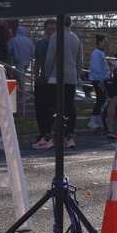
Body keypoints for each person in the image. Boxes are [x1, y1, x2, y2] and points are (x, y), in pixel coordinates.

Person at [44, 16, 84, 149]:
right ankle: (69, 135)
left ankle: (49, 135)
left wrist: (46, 73)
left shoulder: (55, 36)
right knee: (69, 106)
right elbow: (79, 60)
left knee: (52, 106)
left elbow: (50, 57)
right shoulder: (75, 38)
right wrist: (77, 75)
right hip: (71, 76)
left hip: (56, 76)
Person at [30, 20, 56, 148]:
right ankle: (42, 133)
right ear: (45, 29)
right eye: (49, 29)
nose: (51, 32)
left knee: (50, 109)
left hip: (54, 80)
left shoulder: (58, 43)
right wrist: (36, 78)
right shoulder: (40, 44)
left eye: (54, 30)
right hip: (42, 80)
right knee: (39, 109)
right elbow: (37, 62)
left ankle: (48, 134)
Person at [88, 34, 111, 129]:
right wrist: (100, 80)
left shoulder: (100, 52)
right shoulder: (97, 53)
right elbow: (96, 67)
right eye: (105, 41)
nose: (107, 43)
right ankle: (93, 119)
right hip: (98, 80)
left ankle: (97, 119)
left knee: (101, 99)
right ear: (100, 42)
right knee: (100, 99)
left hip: (101, 79)